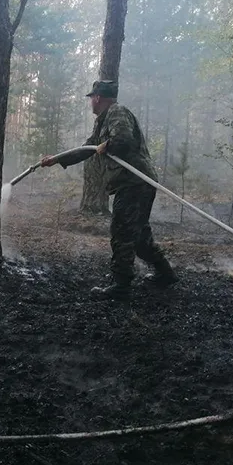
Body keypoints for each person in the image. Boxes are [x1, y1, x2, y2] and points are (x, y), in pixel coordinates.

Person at [40, 80, 178, 300]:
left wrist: (108, 145)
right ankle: (165, 273)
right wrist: (56, 160)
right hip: (133, 183)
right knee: (139, 234)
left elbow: (122, 140)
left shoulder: (117, 112)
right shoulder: (103, 122)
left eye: (91, 99)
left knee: (122, 231)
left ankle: (121, 285)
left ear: (97, 98)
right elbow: (86, 149)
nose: (90, 104)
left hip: (134, 182)